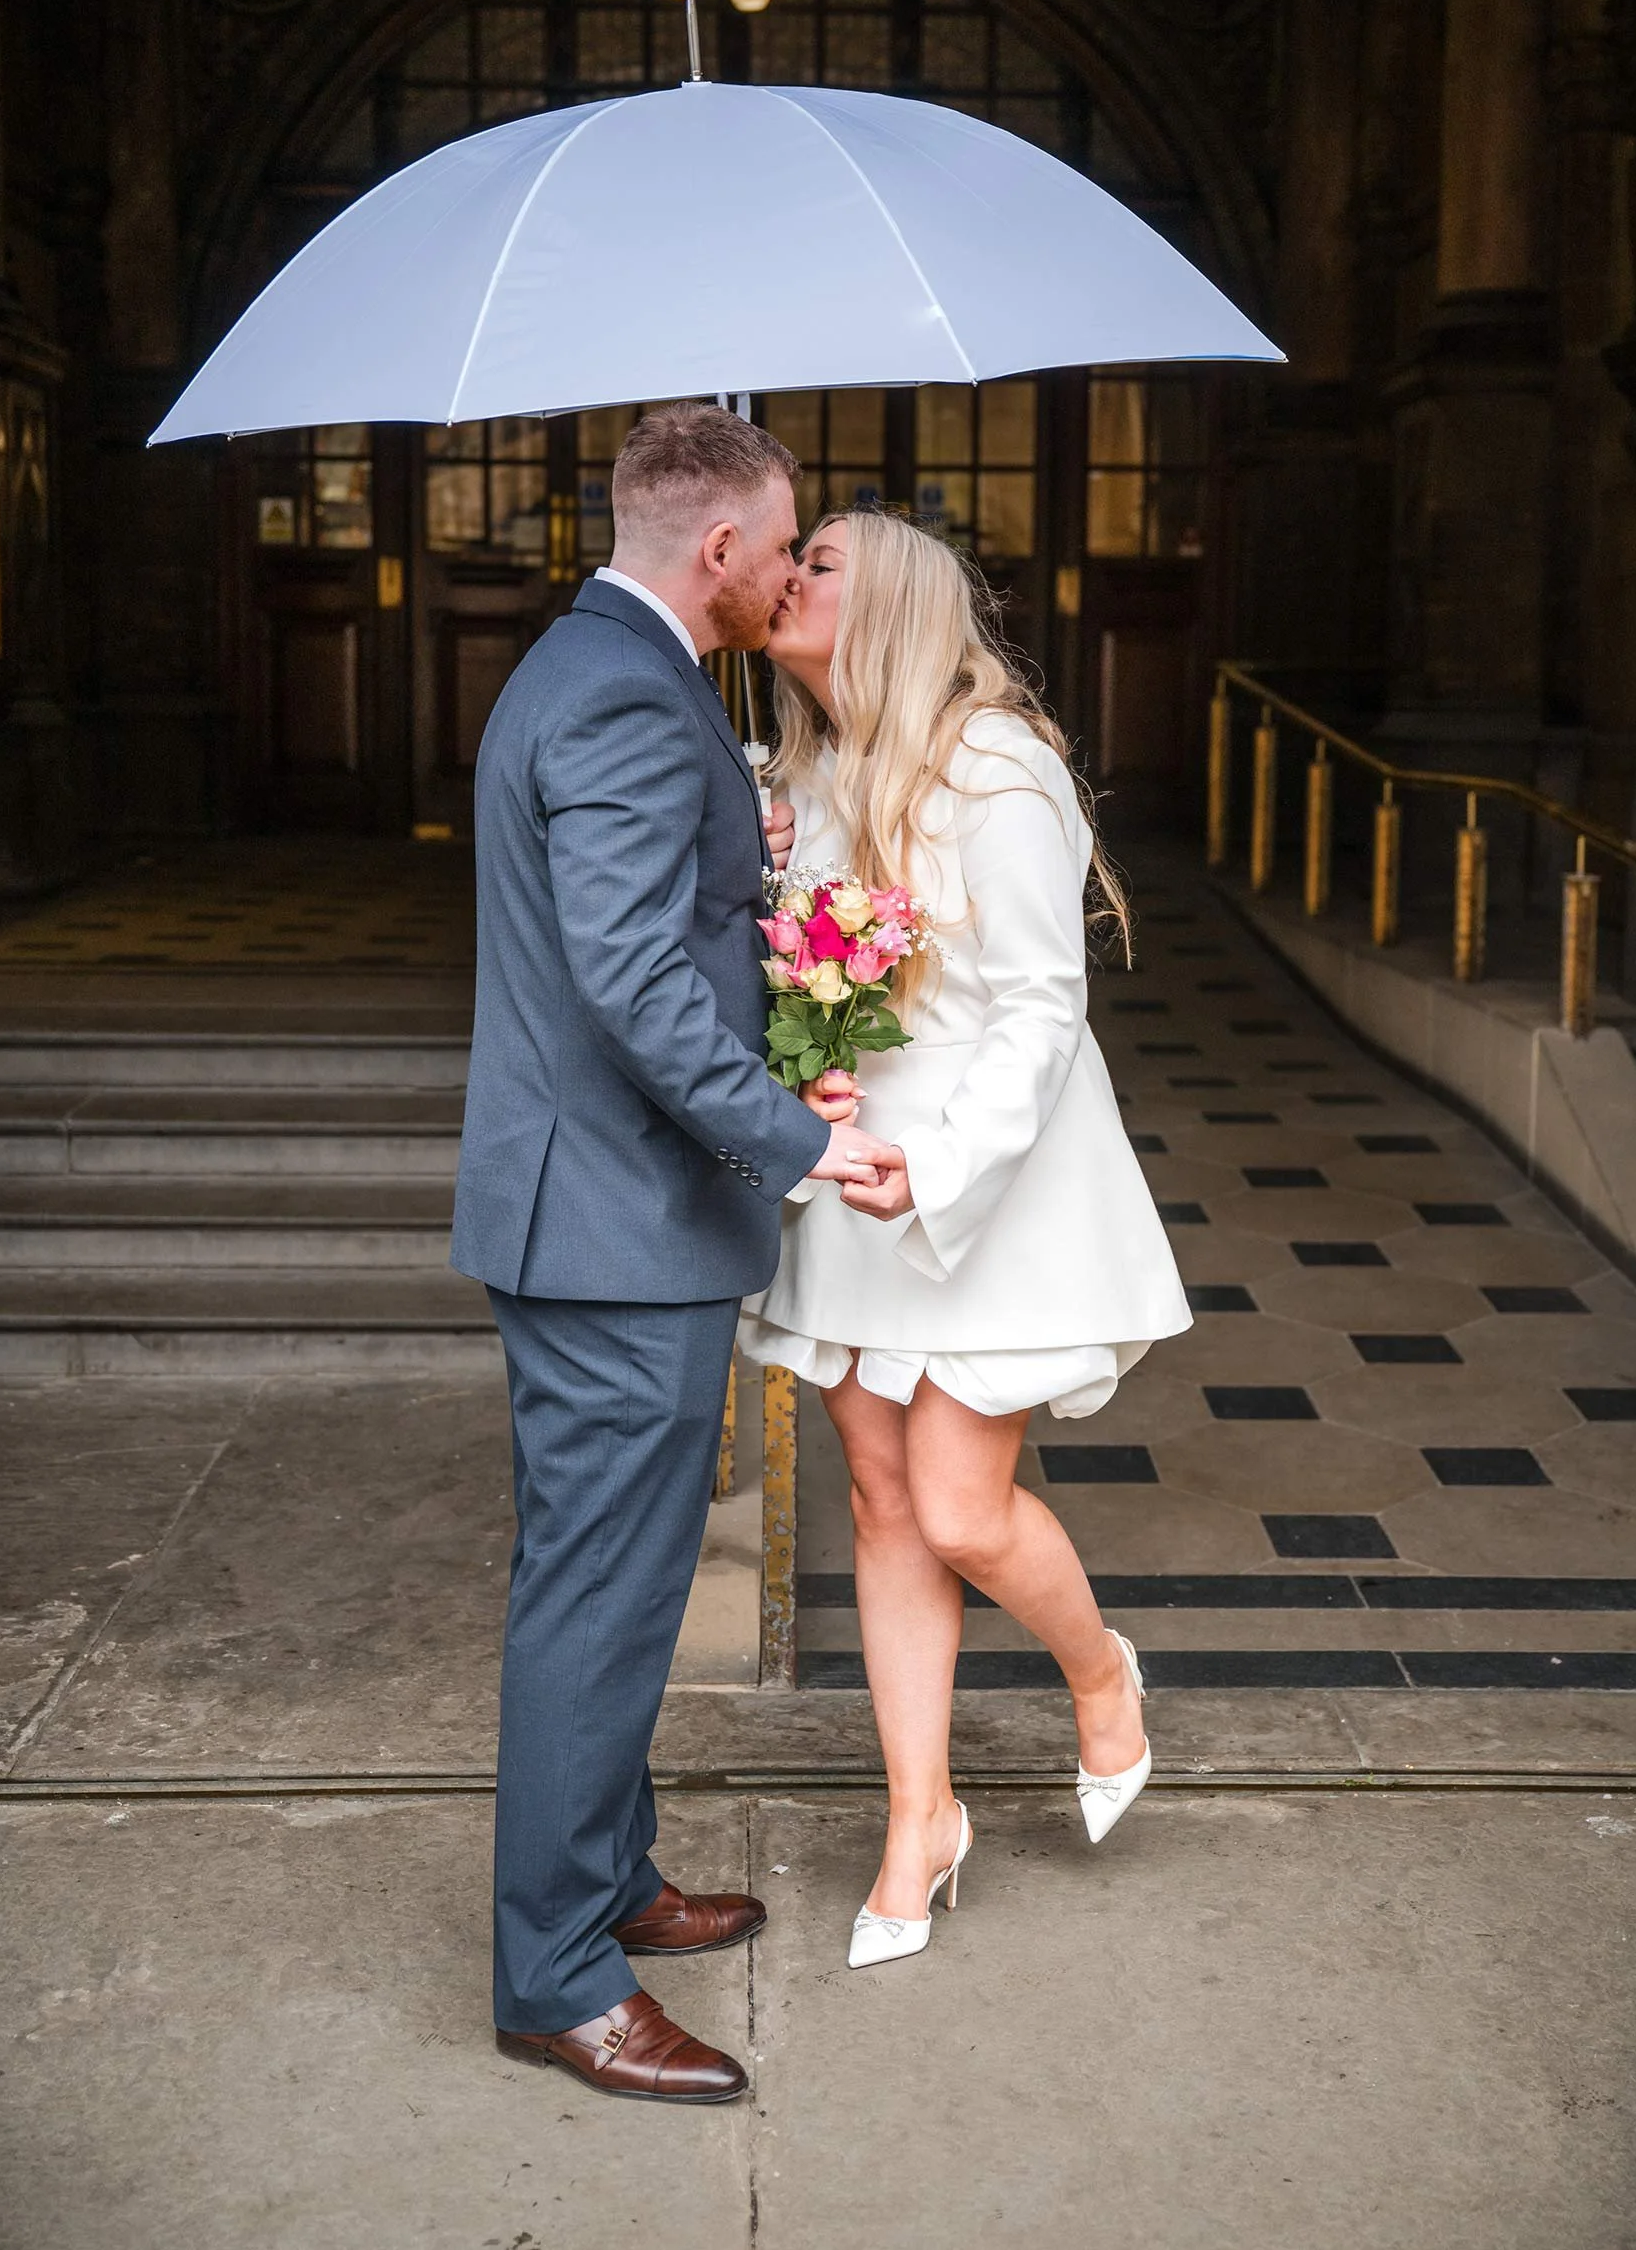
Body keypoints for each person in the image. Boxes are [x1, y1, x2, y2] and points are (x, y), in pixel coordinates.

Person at [452, 406, 900, 2102]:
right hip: (610, 1225)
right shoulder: (632, 698)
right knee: (600, 1597)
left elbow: (642, 925)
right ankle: (559, 1979)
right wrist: (798, 1137)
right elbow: (629, 982)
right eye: (782, 546)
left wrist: (740, 865)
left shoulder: (597, 667)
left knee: (607, 1581)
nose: (790, 574)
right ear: (719, 548)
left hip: (591, 1213)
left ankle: (609, 1878)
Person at [740, 505, 1192, 1969]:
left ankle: (1100, 1674)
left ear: (892, 608)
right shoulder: (799, 777)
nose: (786, 578)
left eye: (818, 563)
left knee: (955, 1507)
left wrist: (935, 1171)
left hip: (984, 1178)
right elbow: (804, 985)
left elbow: (1042, 1007)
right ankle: (918, 1819)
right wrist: (797, 1078)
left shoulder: (995, 765)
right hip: (851, 1168)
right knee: (881, 1505)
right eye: (789, 557)